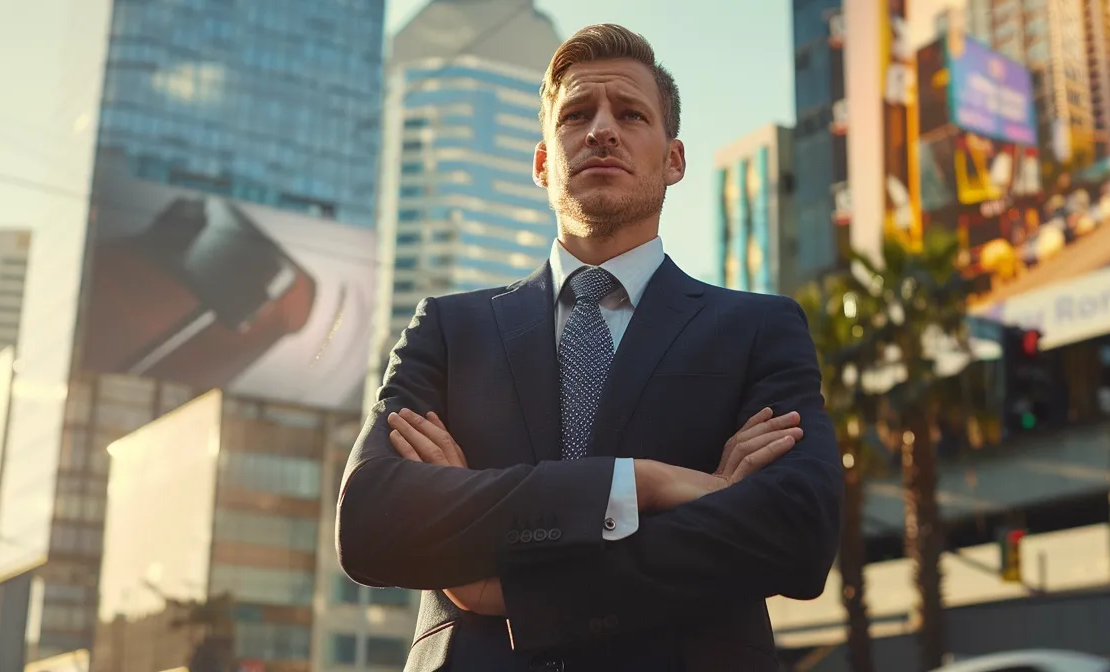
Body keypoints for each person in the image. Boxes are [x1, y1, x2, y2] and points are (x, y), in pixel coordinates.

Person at [336, 23, 841, 672]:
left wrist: (511, 586)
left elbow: (797, 533)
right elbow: (373, 525)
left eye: (631, 114)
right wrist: (642, 484)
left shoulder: (760, 329)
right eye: (576, 115)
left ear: (674, 159)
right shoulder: (446, 328)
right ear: (543, 162)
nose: (602, 129)